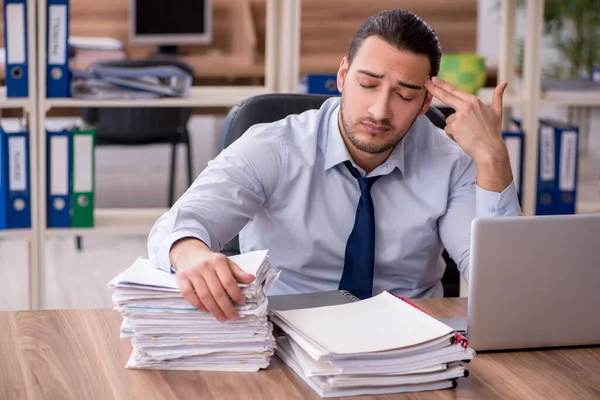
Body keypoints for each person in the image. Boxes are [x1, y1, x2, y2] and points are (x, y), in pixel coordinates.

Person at [147, 9, 522, 322]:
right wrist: (189, 250)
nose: (379, 111)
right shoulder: (275, 146)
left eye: (405, 95)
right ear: (342, 76)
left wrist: (493, 159)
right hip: (285, 330)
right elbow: (180, 223)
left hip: (409, 338)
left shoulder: (450, 162)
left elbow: (503, 286)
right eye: (368, 84)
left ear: (426, 104)